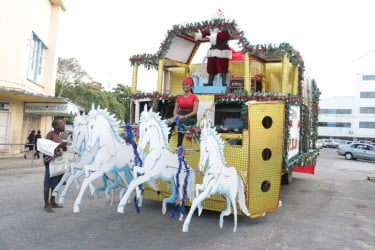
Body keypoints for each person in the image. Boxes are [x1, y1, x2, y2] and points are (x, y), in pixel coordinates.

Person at [42, 119, 68, 212]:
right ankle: (46, 205)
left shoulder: (59, 136)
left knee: (56, 183)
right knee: (48, 183)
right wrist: (60, 145)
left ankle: (52, 202)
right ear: (56, 126)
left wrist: (64, 145)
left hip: (58, 162)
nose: (63, 125)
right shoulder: (51, 134)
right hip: (50, 162)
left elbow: (63, 149)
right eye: (61, 124)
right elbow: (46, 147)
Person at [169, 77, 199, 147]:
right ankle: (166, 143)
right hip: (179, 115)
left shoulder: (195, 97)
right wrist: (175, 116)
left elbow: (194, 112)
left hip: (191, 117)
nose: (184, 86)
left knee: (181, 124)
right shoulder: (179, 97)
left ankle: (179, 146)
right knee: (170, 123)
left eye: (186, 84)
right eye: (183, 84)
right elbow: (175, 110)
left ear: (191, 86)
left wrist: (184, 117)